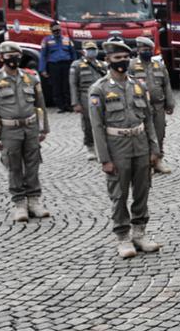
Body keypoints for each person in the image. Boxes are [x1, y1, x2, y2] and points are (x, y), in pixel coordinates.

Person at [89, 40, 161, 258]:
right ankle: (123, 236)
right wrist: (104, 159)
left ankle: (139, 233)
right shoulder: (99, 89)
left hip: (140, 144)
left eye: (125, 57)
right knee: (119, 195)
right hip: (117, 147)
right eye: (117, 58)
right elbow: (97, 126)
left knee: (142, 191)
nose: (122, 61)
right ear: (107, 60)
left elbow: (148, 119)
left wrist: (154, 148)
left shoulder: (138, 86)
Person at [0, 41, 50, 222]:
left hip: (31, 127)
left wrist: (43, 129)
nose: (13, 59)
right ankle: (19, 203)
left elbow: (40, 105)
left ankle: (34, 200)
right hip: (9, 129)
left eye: (16, 56)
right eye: (9, 56)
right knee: (14, 166)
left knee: (33, 164)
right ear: (1, 57)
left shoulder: (31, 78)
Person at [130, 37, 174, 175]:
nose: (147, 52)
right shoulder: (132, 65)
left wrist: (170, 103)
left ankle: (158, 160)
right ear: (138, 50)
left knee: (160, 133)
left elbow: (166, 84)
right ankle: (146, 163)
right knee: (143, 135)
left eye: (149, 49)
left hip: (158, 105)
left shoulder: (158, 65)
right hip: (140, 107)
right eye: (144, 50)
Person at [71, 41, 107, 161]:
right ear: (83, 51)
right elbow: (73, 84)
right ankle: (90, 146)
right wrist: (75, 103)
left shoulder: (102, 64)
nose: (92, 51)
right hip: (85, 96)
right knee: (88, 123)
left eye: (93, 49)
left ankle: (102, 146)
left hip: (101, 96)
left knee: (104, 122)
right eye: (89, 49)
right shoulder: (77, 65)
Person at [38, 22, 77, 111]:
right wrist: (42, 69)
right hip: (54, 66)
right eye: (55, 30)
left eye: (58, 30)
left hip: (66, 65)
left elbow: (73, 53)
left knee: (67, 85)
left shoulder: (67, 39)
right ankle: (60, 106)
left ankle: (68, 105)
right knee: (56, 86)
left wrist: (74, 65)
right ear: (51, 30)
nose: (57, 32)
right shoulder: (46, 40)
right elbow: (43, 55)